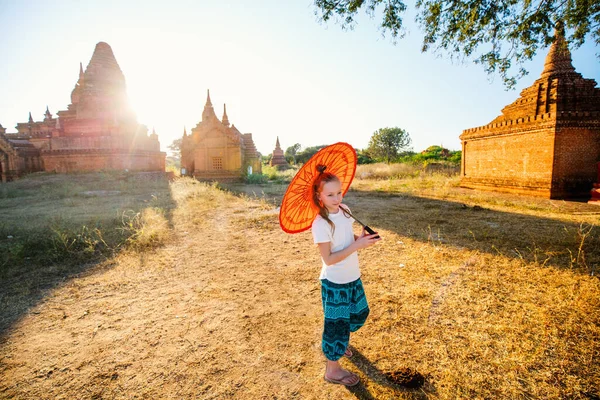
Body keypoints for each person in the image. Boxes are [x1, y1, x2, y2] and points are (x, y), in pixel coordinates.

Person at [311, 165, 381, 387]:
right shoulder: (320, 223)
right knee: (336, 325)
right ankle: (332, 369)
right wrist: (357, 246)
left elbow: (345, 237)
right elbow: (329, 259)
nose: (336, 197)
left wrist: (360, 239)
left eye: (339, 192)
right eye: (330, 194)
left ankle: (341, 341)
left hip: (353, 276)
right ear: (319, 196)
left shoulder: (345, 210)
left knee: (360, 312)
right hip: (335, 282)